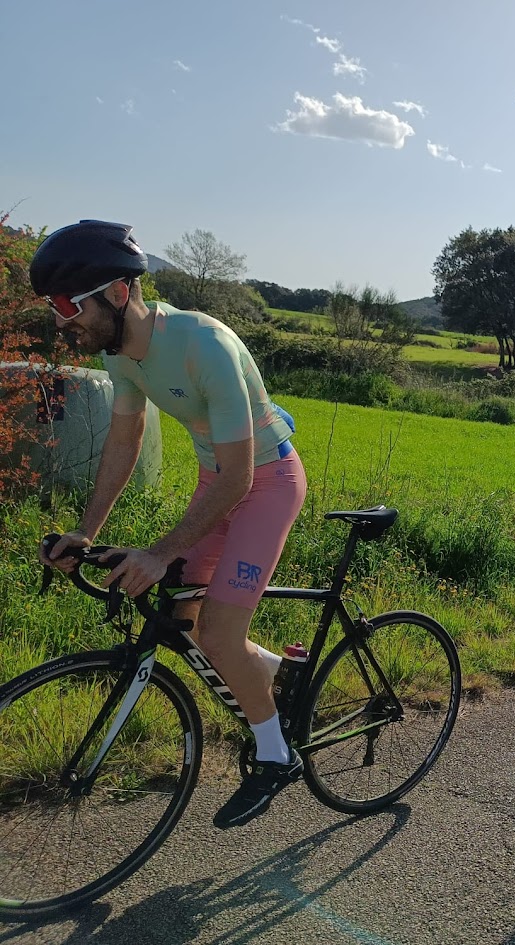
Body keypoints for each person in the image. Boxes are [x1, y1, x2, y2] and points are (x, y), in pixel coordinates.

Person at [31, 220, 307, 829]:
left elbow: (241, 479)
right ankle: (284, 677)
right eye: (50, 305)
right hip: (220, 481)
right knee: (182, 617)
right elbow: (125, 439)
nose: (59, 320)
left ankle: (275, 753)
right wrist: (87, 532)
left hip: (267, 481)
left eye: (66, 304)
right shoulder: (120, 353)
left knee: (220, 629)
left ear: (118, 294)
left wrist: (159, 551)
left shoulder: (201, 343)